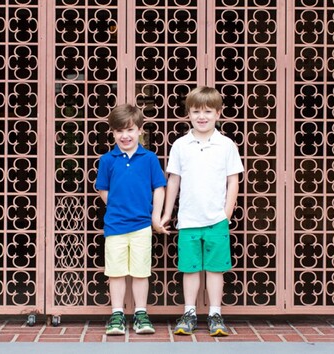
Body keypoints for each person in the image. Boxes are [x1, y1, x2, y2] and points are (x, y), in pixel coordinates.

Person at [160, 86, 244, 337]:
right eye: (196, 111)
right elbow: (173, 181)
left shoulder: (226, 145)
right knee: (191, 268)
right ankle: (189, 312)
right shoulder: (180, 145)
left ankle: (215, 313)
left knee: (216, 269)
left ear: (219, 113)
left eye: (208, 111)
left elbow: (233, 181)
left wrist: (226, 214)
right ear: (188, 114)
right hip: (188, 219)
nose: (202, 116)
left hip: (216, 219)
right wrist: (167, 214)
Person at [95, 104, 167, 335]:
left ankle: (140, 313)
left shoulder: (149, 158)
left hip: (142, 226)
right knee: (115, 272)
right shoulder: (107, 159)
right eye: (119, 131)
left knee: (140, 271)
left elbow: (159, 188)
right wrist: (118, 207)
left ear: (140, 131)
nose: (125, 136)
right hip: (115, 225)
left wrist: (154, 216)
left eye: (130, 130)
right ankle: (117, 313)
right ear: (113, 133)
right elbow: (103, 189)